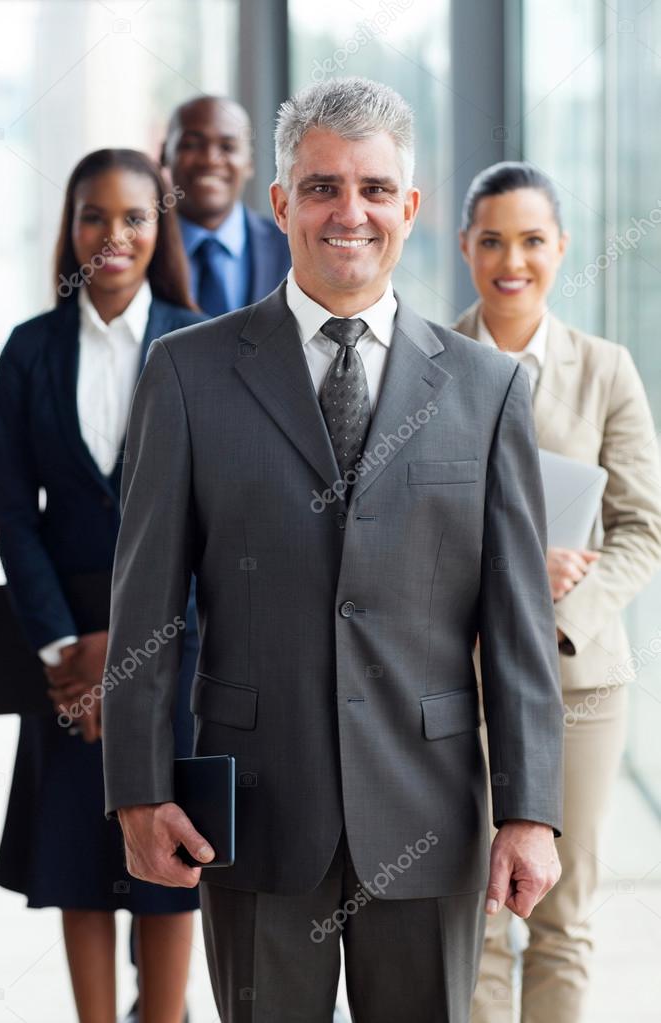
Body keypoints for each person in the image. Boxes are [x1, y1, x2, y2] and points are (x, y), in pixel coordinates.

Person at [102, 79, 564, 1023]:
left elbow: (519, 623)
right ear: (280, 203)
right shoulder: (187, 374)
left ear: (410, 206)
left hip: (429, 813)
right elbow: (145, 600)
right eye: (320, 187)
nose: (348, 213)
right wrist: (139, 793)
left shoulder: (489, 390)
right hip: (255, 811)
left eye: (374, 189)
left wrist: (531, 810)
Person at [0, 148, 206, 1023]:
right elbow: (14, 510)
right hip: (67, 650)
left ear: (161, 228)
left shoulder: (202, 340)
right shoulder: (30, 349)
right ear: (69, 228)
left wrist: (139, 651)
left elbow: (220, 519)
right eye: (92, 216)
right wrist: (67, 648)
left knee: (168, 858)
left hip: (177, 641)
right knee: (80, 856)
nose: (112, 235)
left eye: (135, 217)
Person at [455, 160, 661, 1022]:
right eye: (493, 239)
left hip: (576, 679)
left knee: (560, 912)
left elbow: (642, 527)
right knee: (472, 910)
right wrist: (510, 573)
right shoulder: (426, 367)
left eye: (533, 240)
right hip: (454, 674)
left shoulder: (606, 368)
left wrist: (553, 611)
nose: (513, 259)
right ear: (465, 246)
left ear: (561, 248)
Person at [161, 94, 291, 316]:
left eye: (228, 147)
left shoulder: (291, 248)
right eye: (192, 144)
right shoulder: (141, 247)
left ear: (249, 162)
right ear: (164, 154)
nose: (210, 159)